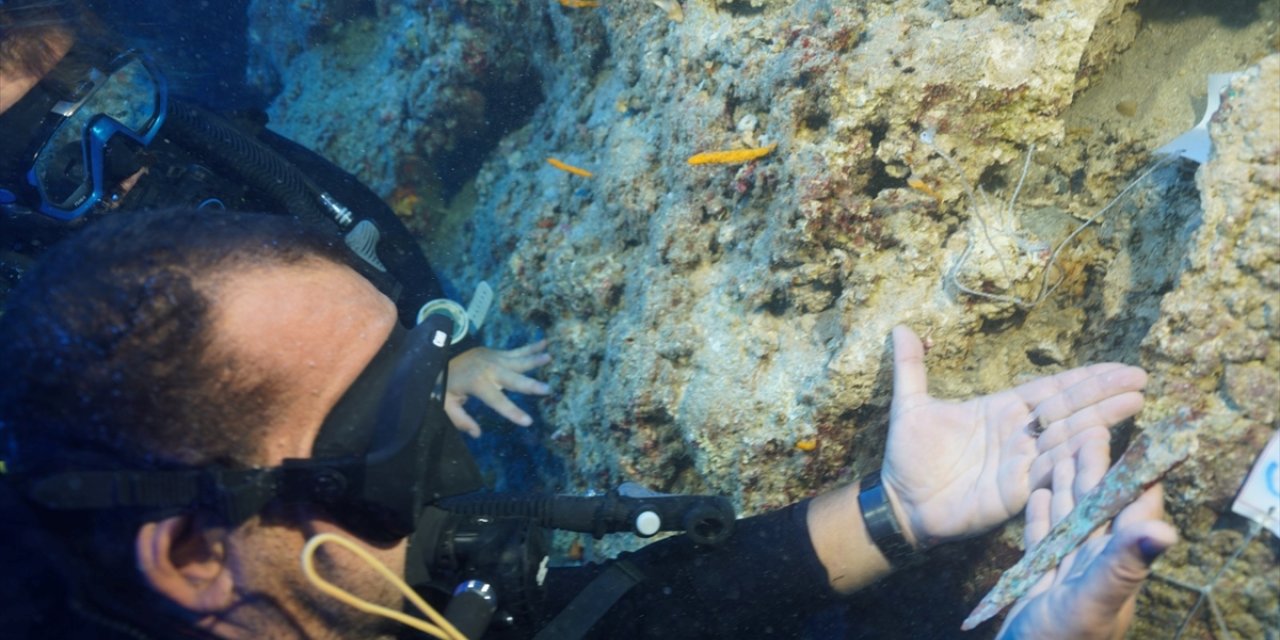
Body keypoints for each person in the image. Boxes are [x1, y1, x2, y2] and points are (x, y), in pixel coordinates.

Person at [0, 207, 1177, 639]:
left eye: (429, 369)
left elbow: (621, 617)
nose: (444, 436)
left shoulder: (356, 593)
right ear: (198, 550)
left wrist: (893, 513)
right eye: (384, 421)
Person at [0, 0, 548, 439]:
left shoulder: (193, 140)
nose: (119, 154)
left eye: (113, 98)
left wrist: (448, 346)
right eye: (40, 147)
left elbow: (336, 203)